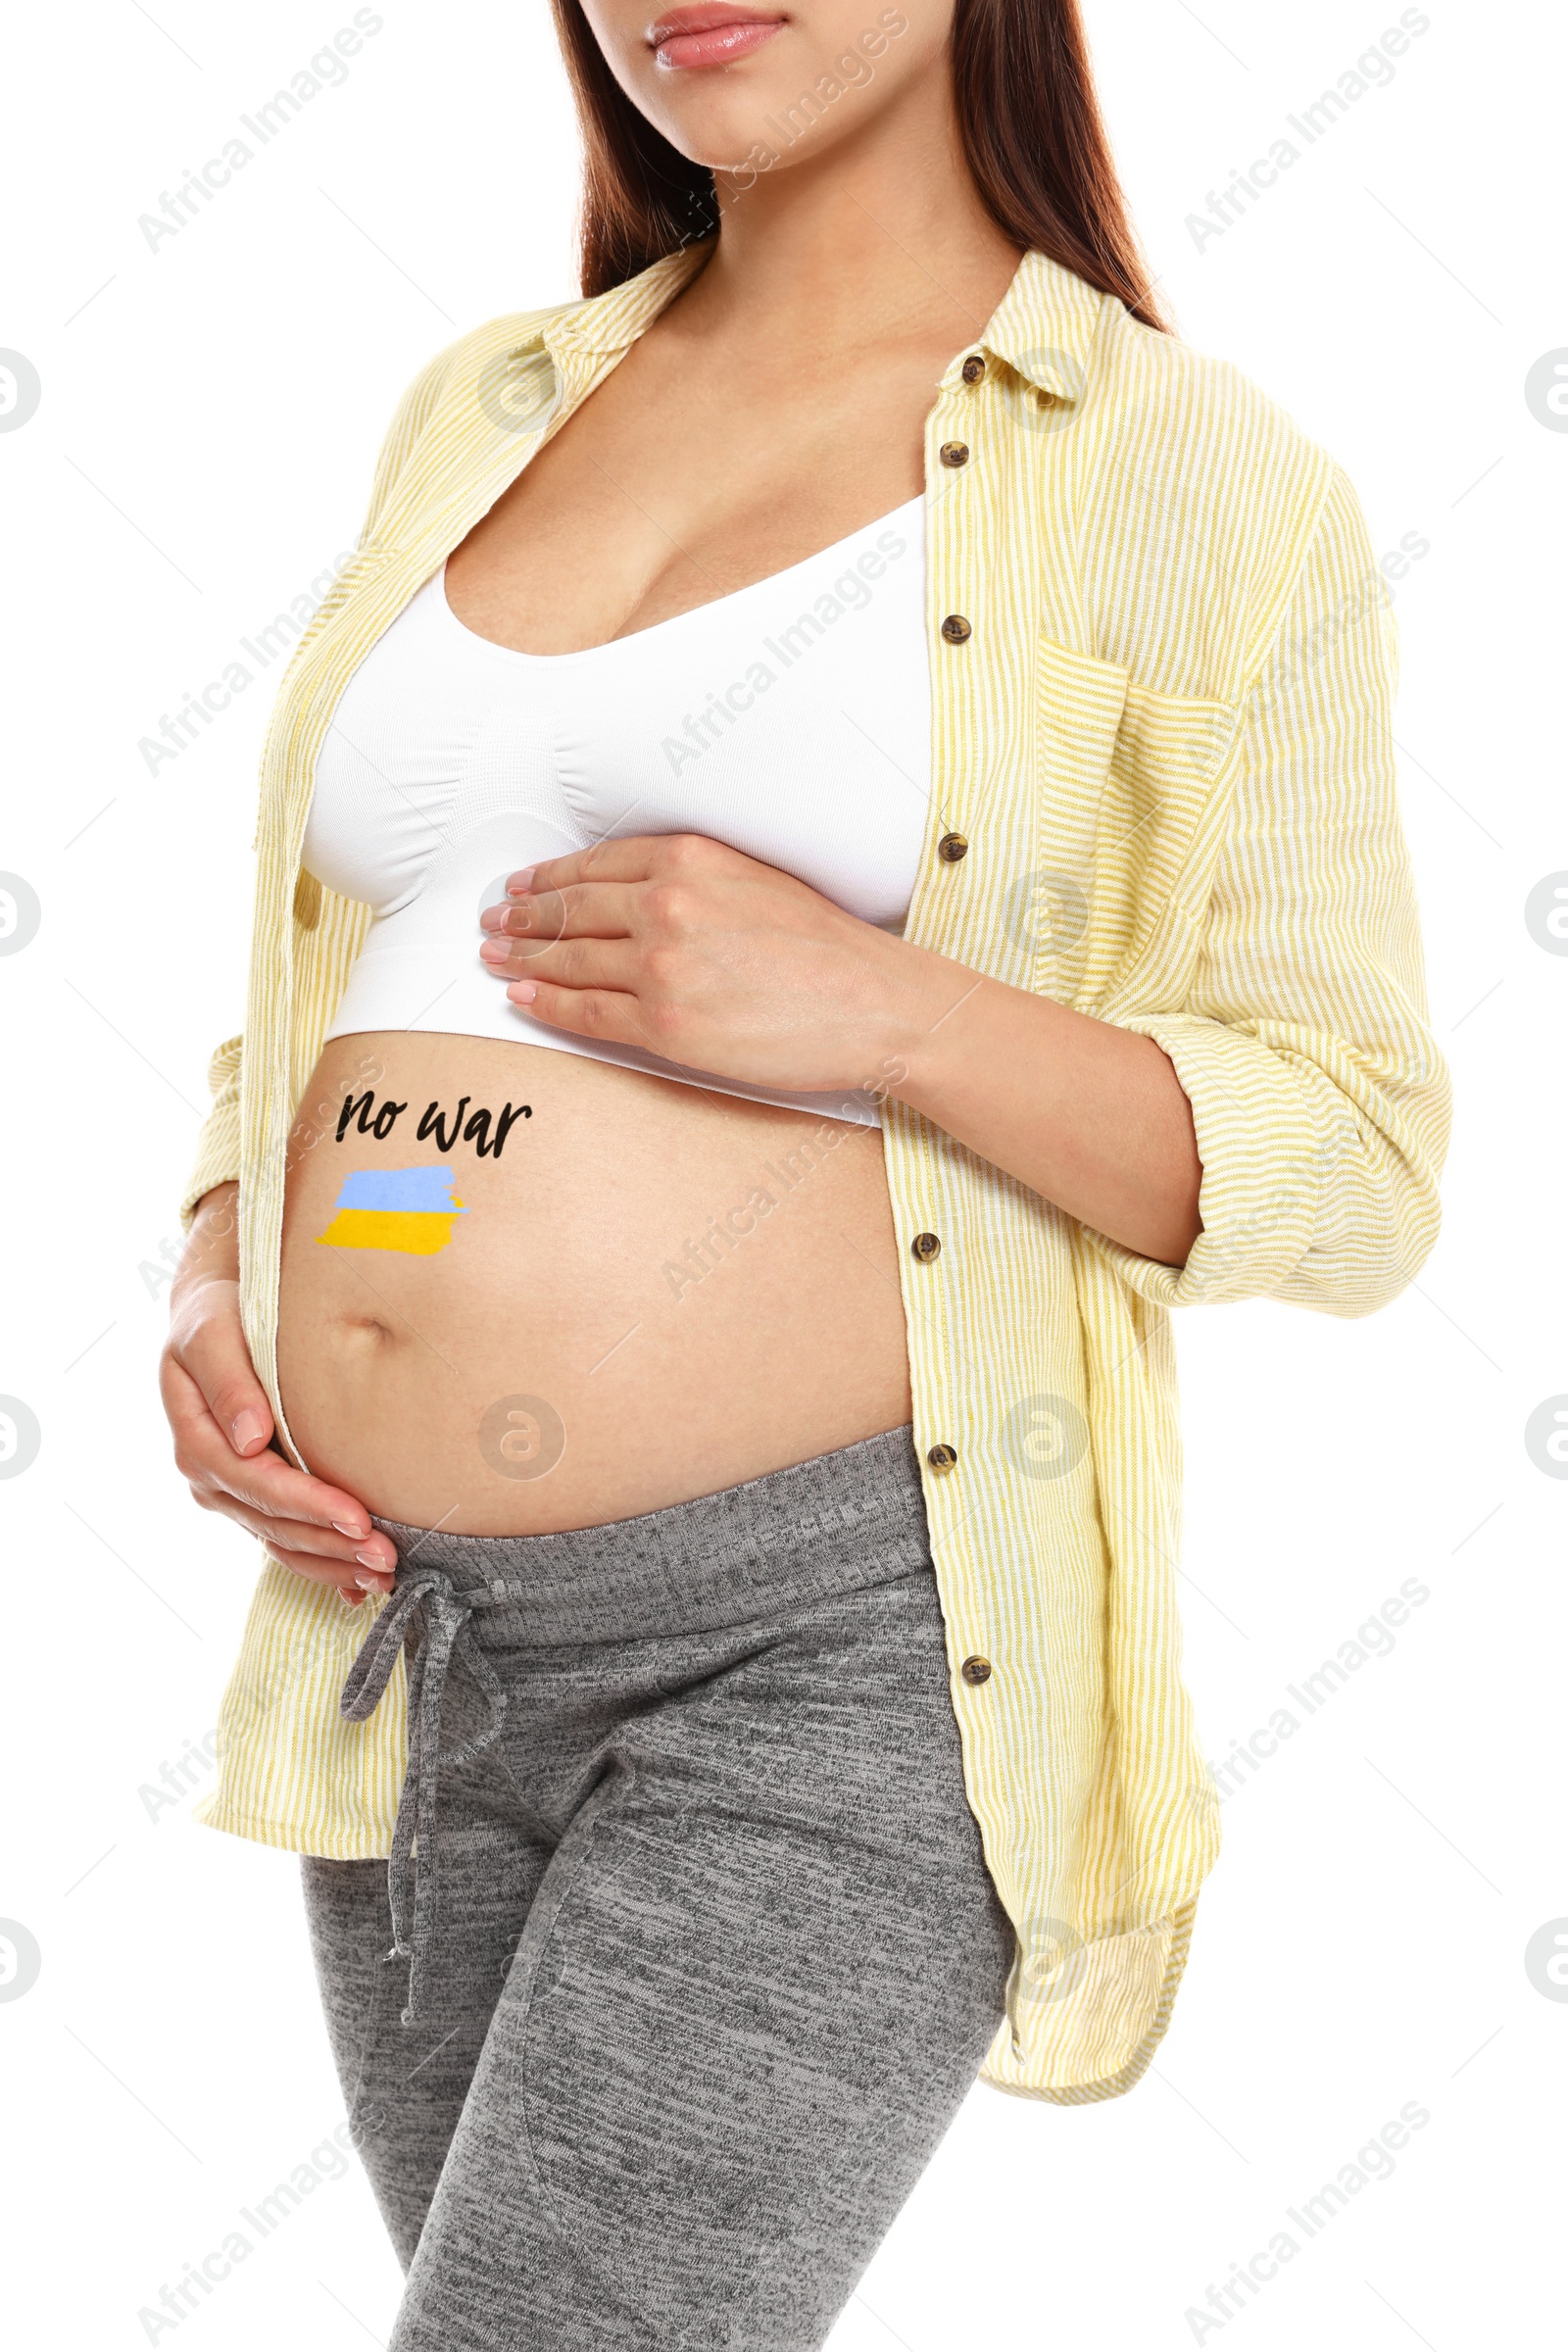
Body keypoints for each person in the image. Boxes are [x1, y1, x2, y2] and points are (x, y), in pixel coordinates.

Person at [159, 2, 1450, 2342]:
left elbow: (1355, 1159)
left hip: (824, 1644)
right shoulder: (484, 403)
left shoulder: (1189, 475)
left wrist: (882, 1012)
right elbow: (328, 959)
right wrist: (215, 1268)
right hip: (398, 1644)